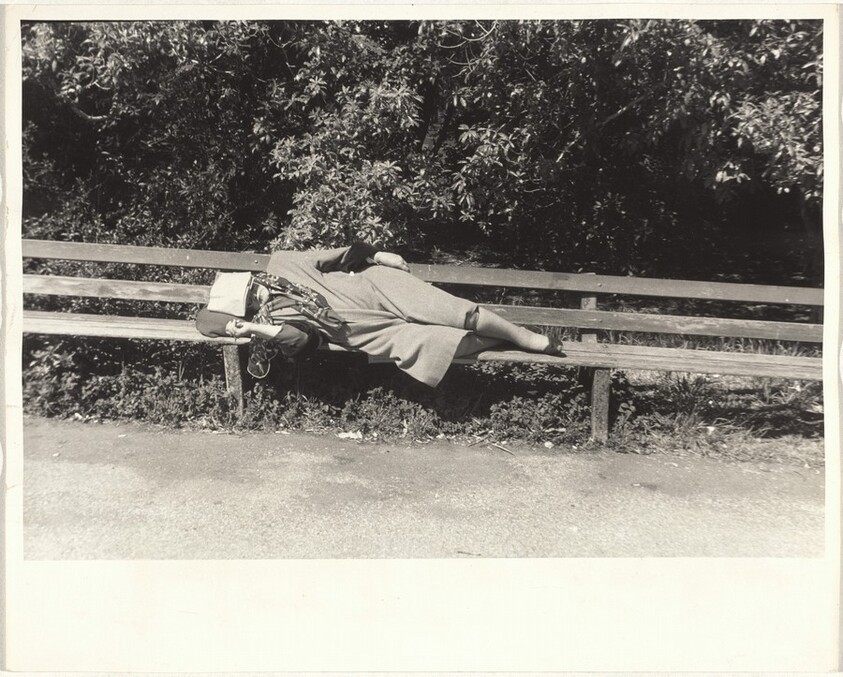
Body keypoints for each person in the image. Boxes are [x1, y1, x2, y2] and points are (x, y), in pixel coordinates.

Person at [195, 242, 564, 387]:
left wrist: (377, 256)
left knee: (451, 312)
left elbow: (343, 254)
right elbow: (302, 342)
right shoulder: (274, 320)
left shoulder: (284, 262)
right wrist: (248, 327)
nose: (259, 293)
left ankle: (524, 337)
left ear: (251, 279)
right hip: (363, 331)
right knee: (436, 343)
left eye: (253, 288)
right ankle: (505, 339)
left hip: (374, 287)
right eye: (250, 300)